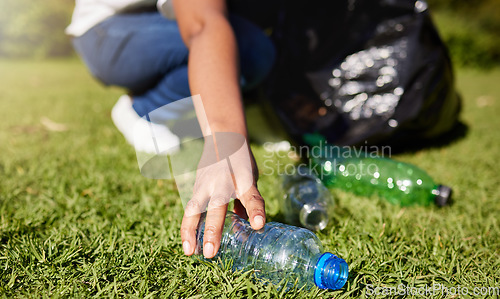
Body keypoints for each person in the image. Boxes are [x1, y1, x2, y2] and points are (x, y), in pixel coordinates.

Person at [66, 0, 273, 259]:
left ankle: (248, 111)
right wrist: (226, 137)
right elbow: (202, 24)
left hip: (162, 20)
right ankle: (143, 110)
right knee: (249, 48)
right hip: (104, 30)